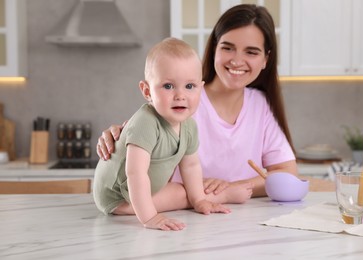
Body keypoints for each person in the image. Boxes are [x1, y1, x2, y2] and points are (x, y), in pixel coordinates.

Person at [96, 4, 297, 202]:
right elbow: (141, 155)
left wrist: (230, 189)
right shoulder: (182, 102)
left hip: (239, 220)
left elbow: (286, 174)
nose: (237, 60)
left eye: (251, 52)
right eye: (228, 48)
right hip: (181, 220)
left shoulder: (260, 105)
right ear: (214, 49)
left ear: (265, 60)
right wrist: (120, 143)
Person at [93, 37, 231, 232]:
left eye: (189, 86)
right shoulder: (145, 123)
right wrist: (150, 217)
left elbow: (191, 166)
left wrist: (199, 200)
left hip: (145, 190)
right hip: (117, 197)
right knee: (180, 195)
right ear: (147, 91)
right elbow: (135, 173)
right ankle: (144, 209)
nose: (180, 95)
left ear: (200, 88)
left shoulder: (189, 126)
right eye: (168, 86)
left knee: (188, 192)